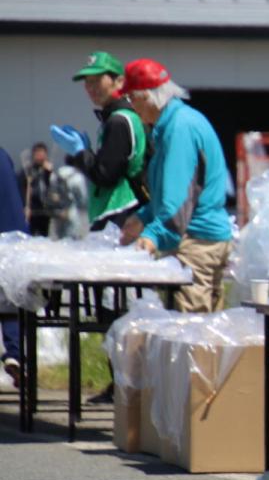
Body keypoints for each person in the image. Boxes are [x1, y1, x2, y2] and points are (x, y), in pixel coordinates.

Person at [119, 59, 232, 313]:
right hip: (204, 238)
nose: (131, 106)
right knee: (206, 329)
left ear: (146, 96)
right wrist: (144, 216)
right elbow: (177, 191)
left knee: (189, 330)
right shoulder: (175, 124)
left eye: (131, 98)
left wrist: (153, 235)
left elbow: (178, 203)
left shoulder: (179, 129)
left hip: (195, 242)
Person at [49, 51, 148, 232]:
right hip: (122, 212)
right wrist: (86, 152)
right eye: (87, 82)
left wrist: (81, 153)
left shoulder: (119, 121)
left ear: (119, 81)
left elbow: (105, 175)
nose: (91, 88)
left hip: (120, 212)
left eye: (97, 80)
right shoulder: (120, 117)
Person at [0, 147, 30, 389]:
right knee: (9, 297)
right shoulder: (3, 155)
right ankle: (15, 354)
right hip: (16, 239)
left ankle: (15, 354)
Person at [18, 143, 54, 236]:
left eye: (42, 154)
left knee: (46, 235)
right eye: (38, 154)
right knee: (31, 234)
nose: (40, 157)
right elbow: (22, 189)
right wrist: (24, 206)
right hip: (32, 210)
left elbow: (53, 187)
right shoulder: (28, 171)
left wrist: (49, 173)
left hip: (46, 210)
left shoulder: (49, 171)